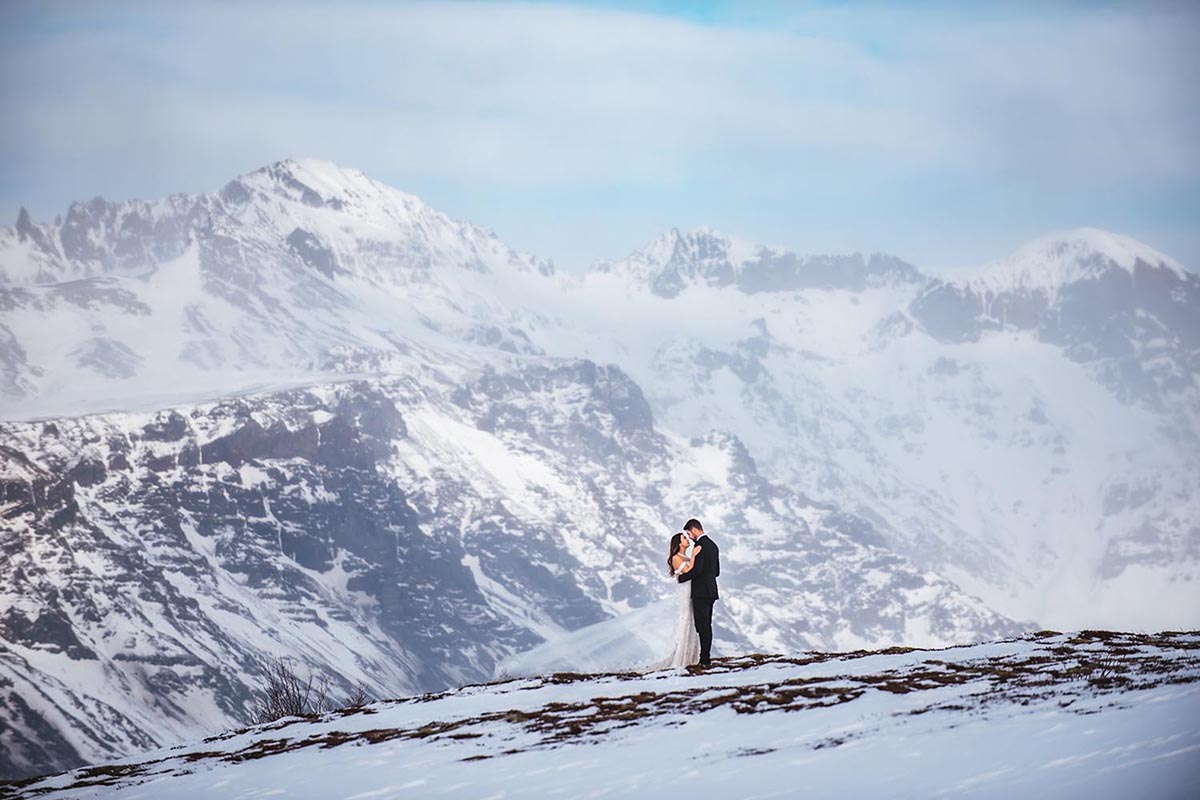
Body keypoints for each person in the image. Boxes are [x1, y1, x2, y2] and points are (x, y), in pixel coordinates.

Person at [675, 518, 719, 666]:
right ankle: (705, 656)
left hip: (700, 591)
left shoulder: (699, 546)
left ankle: (704, 659)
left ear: (694, 530)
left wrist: (682, 578)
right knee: (707, 625)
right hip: (711, 589)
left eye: (689, 533)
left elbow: (698, 570)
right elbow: (716, 571)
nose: (689, 537)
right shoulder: (713, 545)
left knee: (702, 626)